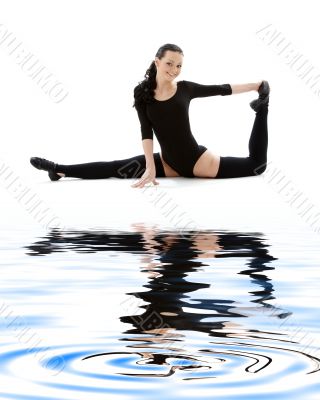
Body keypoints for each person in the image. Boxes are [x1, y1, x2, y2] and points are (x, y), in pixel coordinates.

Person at [30, 43, 270, 188]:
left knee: (257, 165)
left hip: (197, 162)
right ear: (157, 61)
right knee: (116, 167)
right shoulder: (142, 93)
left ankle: (262, 108)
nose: (174, 70)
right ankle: (59, 169)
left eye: (178, 66)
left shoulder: (185, 88)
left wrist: (256, 85)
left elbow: (221, 89)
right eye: (169, 64)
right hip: (167, 163)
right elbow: (146, 131)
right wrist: (150, 167)